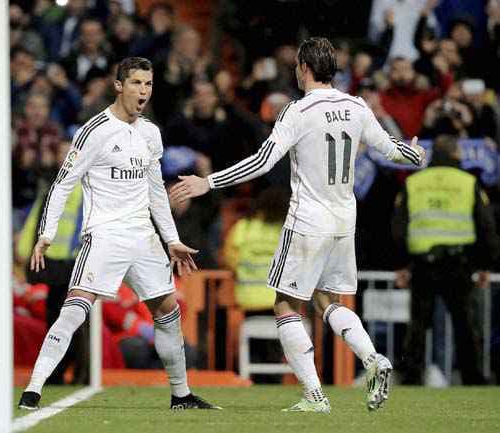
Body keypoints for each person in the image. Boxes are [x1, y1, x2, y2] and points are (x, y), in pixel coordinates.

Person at [171, 37, 426, 413]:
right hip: (344, 220)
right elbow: (391, 149)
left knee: (285, 304)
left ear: (304, 68)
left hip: (308, 218)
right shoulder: (356, 106)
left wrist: (208, 182)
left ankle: (314, 396)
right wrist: (414, 153)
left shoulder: (299, 110)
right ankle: (373, 358)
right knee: (327, 301)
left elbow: (262, 162)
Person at [17, 57, 220, 411]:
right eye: (137, 83)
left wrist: (171, 239)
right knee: (75, 307)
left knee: (168, 310)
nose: (144, 91)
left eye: (148, 84)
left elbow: (155, 190)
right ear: (119, 86)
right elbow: (63, 184)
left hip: (144, 236)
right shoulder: (94, 130)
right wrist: (47, 233)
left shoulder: (150, 133)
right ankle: (32, 391)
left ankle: (181, 395)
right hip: (105, 235)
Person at [392, 134, 500, 385]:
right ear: (455, 153)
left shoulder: (414, 183)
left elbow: (398, 227)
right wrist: (485, 265)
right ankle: (472, 379)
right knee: (466, 326)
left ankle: (411, 378)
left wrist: (401, 264)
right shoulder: (468, 182)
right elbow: (486, 226)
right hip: (458, 264)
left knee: (418, 327)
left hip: (423, 264)